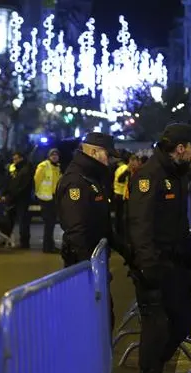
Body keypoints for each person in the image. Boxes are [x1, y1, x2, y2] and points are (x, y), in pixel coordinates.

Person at [127, 123, 191, 373]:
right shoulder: (150, 175)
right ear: (180, 148)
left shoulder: (177, 174)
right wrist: (148, 265)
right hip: (156, 263)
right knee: (156, 324)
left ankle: (155, 370)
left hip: (177, 262)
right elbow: (140, 223)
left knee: (182, 320)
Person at [57, 133, 122, 325]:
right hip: (84, 267)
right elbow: (77, 230)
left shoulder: (90, 177)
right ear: (93, 152)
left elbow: (102, 225)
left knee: (102, 320)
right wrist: (90, 271)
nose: (109, 160)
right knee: (90, 322)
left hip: (93, 264)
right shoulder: (76, 181)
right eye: (107, 155)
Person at [4, 152, 34, 248]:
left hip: (21, 199)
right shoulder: (17, 169)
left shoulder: (25, 170)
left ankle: (24, 242)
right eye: (13, 159)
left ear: (21, 158)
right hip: (15, 198)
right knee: (11, 221)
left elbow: (21, 186)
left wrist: (11, 195)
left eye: (16, 159)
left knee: (23, 221)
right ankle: (8, 239)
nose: (14, 161)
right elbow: (11, 183)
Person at [35, 149, 62, 253]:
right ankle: (47, 247)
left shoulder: (57, 167)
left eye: (56, 155)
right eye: (52, 155)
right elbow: (36, 181)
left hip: (53, 198)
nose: (54, 156)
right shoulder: (43, 166)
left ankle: (50, 245)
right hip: (45, 198)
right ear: (49, 156)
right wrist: (38, 194)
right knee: (49, 223)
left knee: (51, 223)